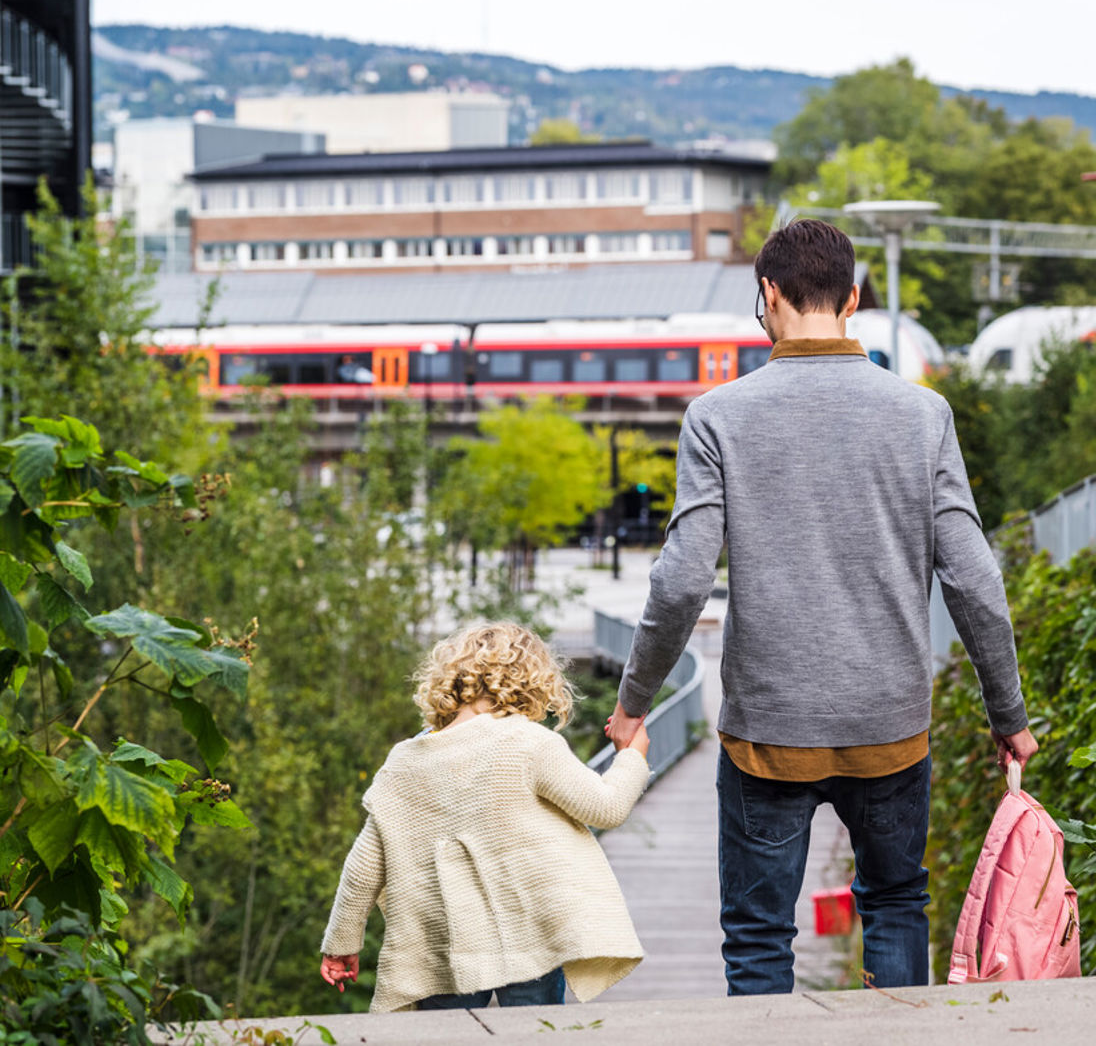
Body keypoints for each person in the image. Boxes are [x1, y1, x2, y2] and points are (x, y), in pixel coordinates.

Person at [606, 219, 1037, 995]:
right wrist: (1009, 713)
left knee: (760, 935)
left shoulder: (718, 416)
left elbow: (680, 581)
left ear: (767, 295)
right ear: (855, 299)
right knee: (899, 902)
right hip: (890, 728)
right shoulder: (922, 414)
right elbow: (974, 579)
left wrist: (634, 702)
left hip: (768, 733)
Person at [319, 622, 651, 1012]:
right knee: (535, 1035)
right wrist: (634, 756)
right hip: (527, 936)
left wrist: (341, 945)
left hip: (441, 947)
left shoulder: (405, 762)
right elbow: (606, 807)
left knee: (441, 1041)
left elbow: (363, 868)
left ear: (451, 680)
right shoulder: (527, 743)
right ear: (532, 681)